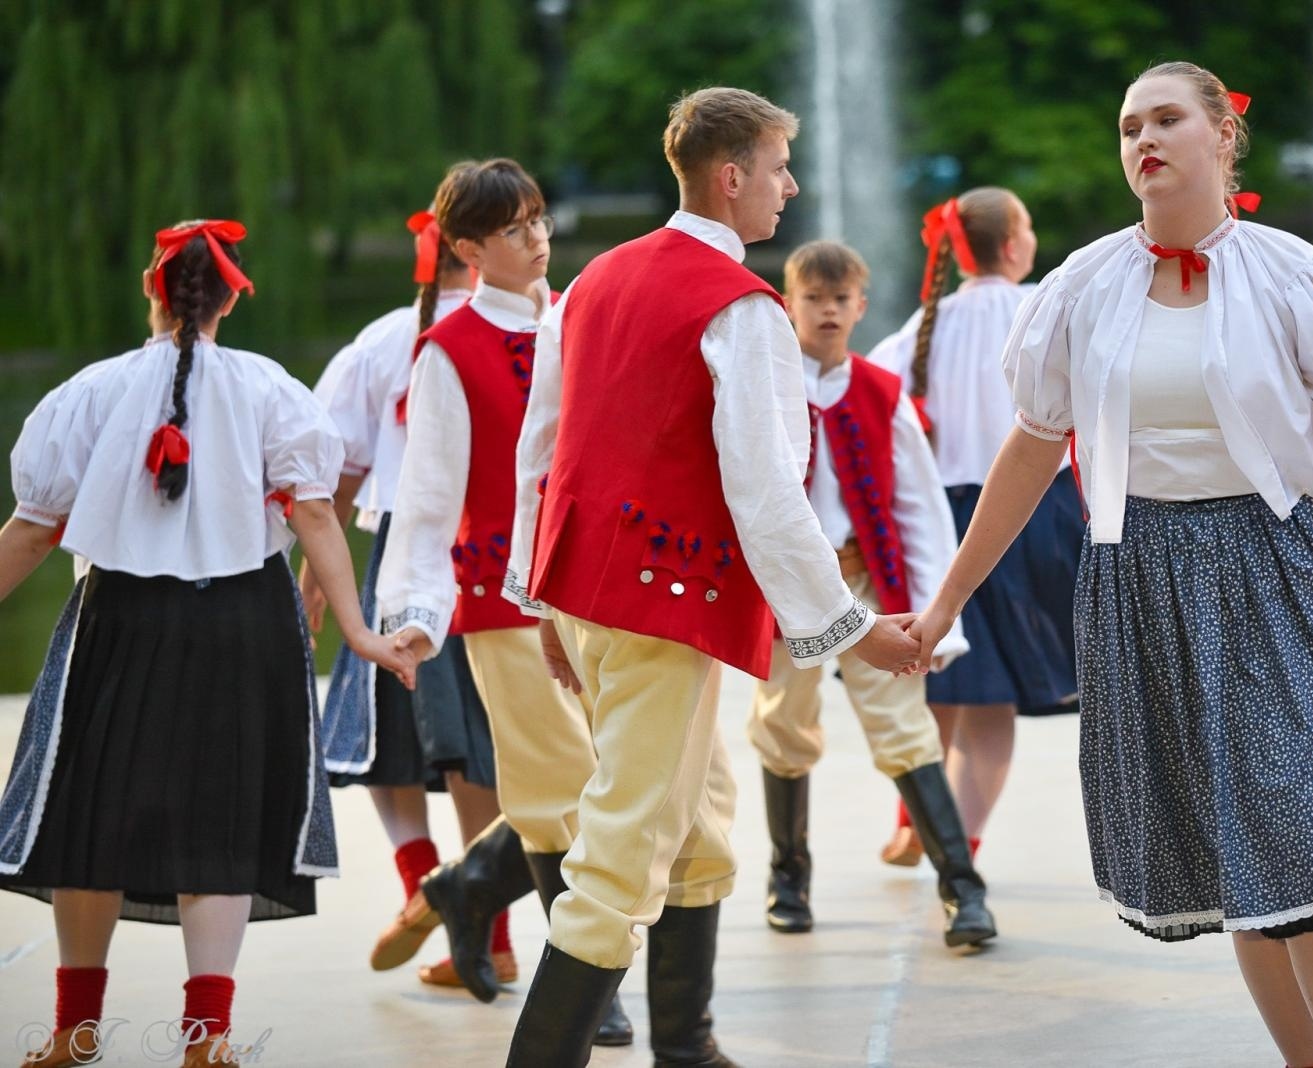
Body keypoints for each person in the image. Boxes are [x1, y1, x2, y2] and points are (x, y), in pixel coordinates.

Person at [907, 62, 1313, 1068]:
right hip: (1146, 584)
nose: (1143, 139)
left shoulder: (1293, 274)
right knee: (1241, 863)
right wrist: (941, 602)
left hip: (1282, 572)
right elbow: (1031, 452)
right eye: (1128, 125)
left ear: (1222, 136)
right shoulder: (1082, 286)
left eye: (1166, 118)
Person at [499, 87, 920, 1066]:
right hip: (664, 607)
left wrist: (539, 597)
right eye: (778, 168)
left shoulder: (594, 279)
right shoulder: (740, 310)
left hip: (593, 594)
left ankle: (686, 1047)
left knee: (700, 818)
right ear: (731, 178)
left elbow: (541, 449)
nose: (791, 186)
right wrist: (854, 629)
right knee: (621, 853)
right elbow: (768, 493)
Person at [0, 220, 414, 1068]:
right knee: (220, 822)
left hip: (119, 621)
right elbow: (313, 514)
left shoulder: (89, 391)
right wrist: (361, 630)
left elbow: (32, 533)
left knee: (88, 814)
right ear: (229, 299)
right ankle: (208, 1040)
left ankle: (76, 1031)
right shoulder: (272, 391)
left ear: (153, 292)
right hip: (243, 623)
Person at [372, 159, 633, 1041]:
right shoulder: (447, 353)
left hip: (602, 587)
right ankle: (587, 986)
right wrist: (414, 612)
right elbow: (428, 494)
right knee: (560, 786)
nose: (537, 238)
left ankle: (465, 888)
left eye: (538, 219)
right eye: (514, 228)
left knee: (623, 779)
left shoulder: (585, 320)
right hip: (502, 597)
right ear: (468, 249)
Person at [746, 239, 994, 947]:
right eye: (812, 298)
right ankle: (787, 875)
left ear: (860, 304)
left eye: (839, 299)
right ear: (788, 303)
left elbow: (919, 507)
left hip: (866, 584)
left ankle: (963, 890)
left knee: (903, 726)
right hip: (790, 588)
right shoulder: (762, 391)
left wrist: (938, 620)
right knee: (782, 725)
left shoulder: (882, 393)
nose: (826, 311)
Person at [303, 201, 509, 988]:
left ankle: (424, 886)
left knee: (382, 741)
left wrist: (314, 581)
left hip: (401, 559)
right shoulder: (532, 323)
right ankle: (488, 933)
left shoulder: (388, 338)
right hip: (498, 553)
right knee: (482, 750)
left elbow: (332, 467)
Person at [868, 188, 1084, 867]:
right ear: (1014, 244)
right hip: (1028, 521)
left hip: (939, 523)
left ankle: (916, 821)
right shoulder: (1038, 310)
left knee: (938, 682)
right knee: (991, 710)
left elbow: (872, 396)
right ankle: (957, 851)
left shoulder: (924, 326)